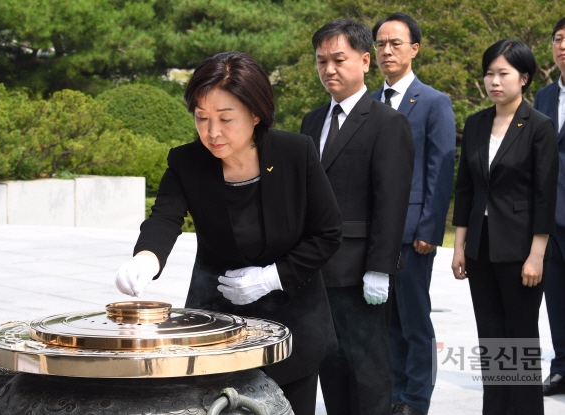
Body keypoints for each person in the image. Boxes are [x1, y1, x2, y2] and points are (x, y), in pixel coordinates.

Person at [114, 51, 343, 415]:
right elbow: (164, 218)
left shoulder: (294, 153)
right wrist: (146, 257)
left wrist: (272, 277)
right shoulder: (187, 161)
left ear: (255, 114)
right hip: (218, 321)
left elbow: (328, 232)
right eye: (201, 118)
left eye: (225, 118)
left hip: (293, 322)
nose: (212, 132)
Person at [301, 19, 414, 415]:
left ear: (365, 60)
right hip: (316, 268)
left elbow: (391, 201)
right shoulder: (312, 121)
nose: (329, 69)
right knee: (330, 364)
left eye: (339, 59)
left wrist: (380, 268)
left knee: (367, 369)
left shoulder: (388, 123)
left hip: (360, 270)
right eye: (321, 61)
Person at [452, 39, 559, 415]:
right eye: (489, 74)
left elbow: (545, 195)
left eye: (503, 74)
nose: (494, 81)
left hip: (520, 252)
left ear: (524, 78)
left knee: (520, 340)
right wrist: (460, 246)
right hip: (481, 250)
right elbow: (465, 187)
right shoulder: (476, 123)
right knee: (492, 340)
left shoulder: (539, 126)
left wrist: (537, 256)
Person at [371, 12, 456, 415]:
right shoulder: (370, 102)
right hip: (373, 233)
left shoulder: (434, 102)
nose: (387, 51)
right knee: (383, 321)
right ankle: (392, 394)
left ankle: (414, 400)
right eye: (381, 44)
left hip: (411, 232)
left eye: (396, 43)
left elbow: (441, 169)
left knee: (414, 322)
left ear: (415, 49)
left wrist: (430, 228)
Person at [533, 16, 565, 397]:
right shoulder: (542, 97)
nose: (563, 46)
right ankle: (560, 368)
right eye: (558, 39)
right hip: (549, 218)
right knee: (555, 301)